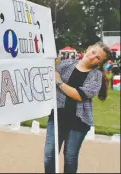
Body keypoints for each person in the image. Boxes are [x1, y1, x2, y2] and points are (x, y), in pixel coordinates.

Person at [44, 42, 112, 173]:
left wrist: (59, 82)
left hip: (79, 122)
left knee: (70, 158)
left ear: (99, 63)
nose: (93, 57)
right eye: (93, 52)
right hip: (57, 117)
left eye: (98, 58)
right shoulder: (66, 64)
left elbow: (79, 95)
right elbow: (49, 77)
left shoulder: (96, 76)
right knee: (49, 156)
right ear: (88, 49)